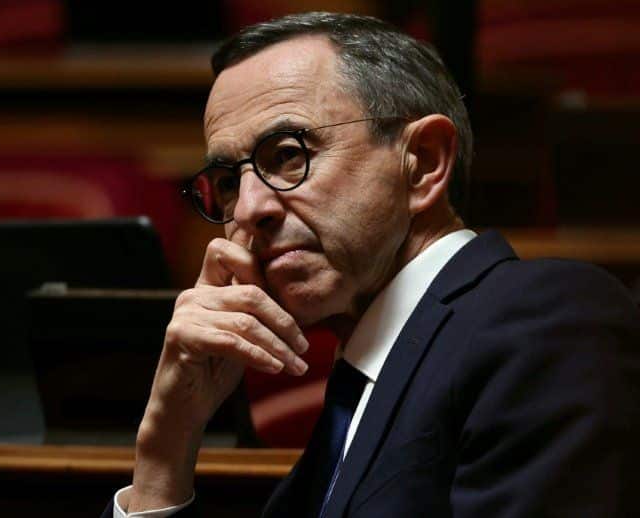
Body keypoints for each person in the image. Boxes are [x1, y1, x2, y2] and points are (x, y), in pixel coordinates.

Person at [105, 12, 640, 518]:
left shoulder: (548, 320)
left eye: (288, 155)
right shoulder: (363, 383)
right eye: (227, 182)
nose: (247, 209)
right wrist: (165, 452)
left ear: (424, 161)